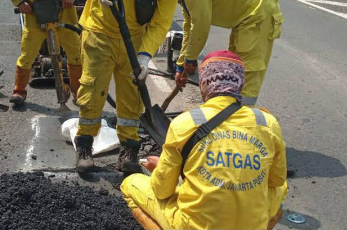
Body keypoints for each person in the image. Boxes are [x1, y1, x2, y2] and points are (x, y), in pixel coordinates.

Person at [74, 0, 206, 174]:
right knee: (92, 92)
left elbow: (159, 23)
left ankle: (129, 150)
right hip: (99, 32)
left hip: (133, 41)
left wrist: (145, 58)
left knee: (131, 97)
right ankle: (84, 146)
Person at [121, 50, 288, 230]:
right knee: (281, 189)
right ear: (240, 84)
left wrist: (159, 171)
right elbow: (277, 180)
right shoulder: (267, 122)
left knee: (130, 184)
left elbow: (162, 192)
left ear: (203, 84)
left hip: (194, 226)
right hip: (251, 224)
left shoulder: (185, 123)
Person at [175, 0, 284, 106]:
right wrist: (181, 65)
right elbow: (189, 29)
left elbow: (200, 28)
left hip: (258, 12)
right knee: (234, 67)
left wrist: (190, 60)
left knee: (248, 68)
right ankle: (230, 112)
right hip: (245, 17)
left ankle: (243, 115)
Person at [0, 0, 84, 105]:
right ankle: (19, 91)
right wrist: (19, 1)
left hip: (64, 11)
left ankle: (77, 91)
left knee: (75, 53)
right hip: (34, 14)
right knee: (28, 54)